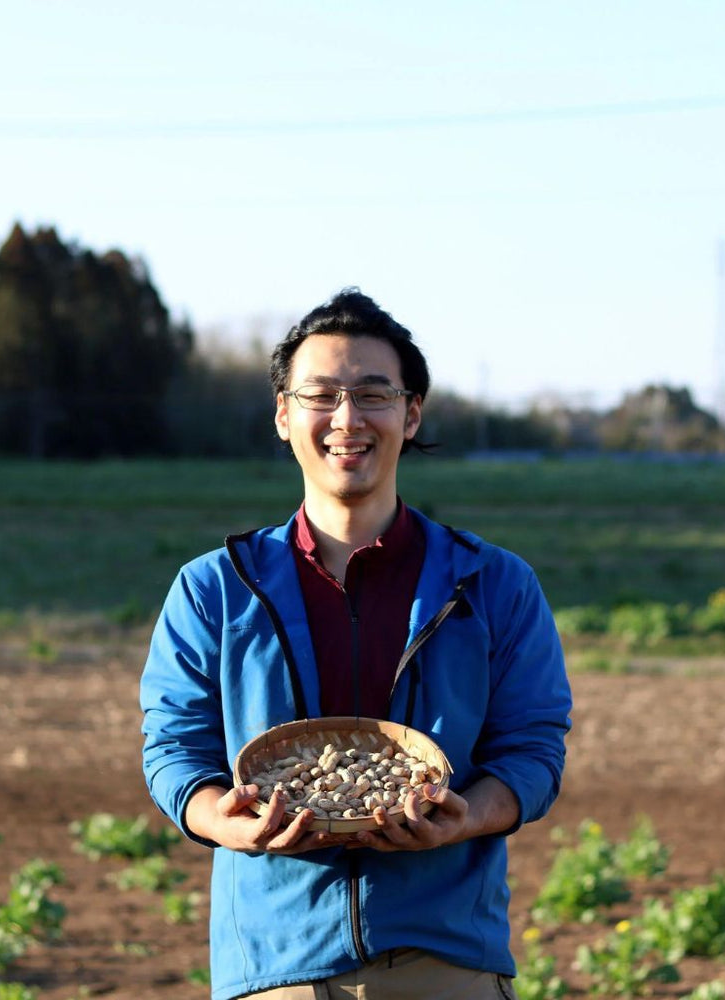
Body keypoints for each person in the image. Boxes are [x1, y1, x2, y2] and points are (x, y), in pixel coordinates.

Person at [140, 288, 572, 1000]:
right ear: (283, 416)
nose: (347, 419)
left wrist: (465, 820)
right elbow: (174, 746)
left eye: (373, 394)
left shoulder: (493, 584)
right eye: (321, 396)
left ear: (411, 412)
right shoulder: (215, 588)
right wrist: (218, 817)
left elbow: (532, 751)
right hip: (277, 965)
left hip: (446, 960)